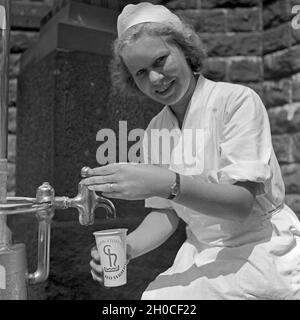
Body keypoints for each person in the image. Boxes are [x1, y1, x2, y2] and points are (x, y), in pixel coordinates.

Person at [82, 2, 300, 299]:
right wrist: (129, 247)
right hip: (201, 251)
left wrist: (165, 183)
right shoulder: (155, 131)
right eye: (141, 73)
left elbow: (240, 205)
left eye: (160, 60)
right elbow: (165, 214)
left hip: (259, 248)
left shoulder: (236, 102)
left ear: (185, 50)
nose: (156, 79)